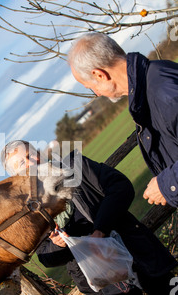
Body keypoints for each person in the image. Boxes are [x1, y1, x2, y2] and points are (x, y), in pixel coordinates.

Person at [1, 140, 178, 295]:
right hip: (104, 275)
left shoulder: (74, 165)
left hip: (131, 246)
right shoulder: (31, 212)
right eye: (22, 163)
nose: (32, 163)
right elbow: (46, 256)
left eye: (31, 155)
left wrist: (100, 230)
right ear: (16, 176)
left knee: (171, 294)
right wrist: (57, 244)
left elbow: (121, 187)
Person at [67, 32, 178, 209]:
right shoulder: (154, 78)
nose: (96, 94)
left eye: (91, 87)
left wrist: (166, 185)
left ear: (99, 75)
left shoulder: (162, 91)